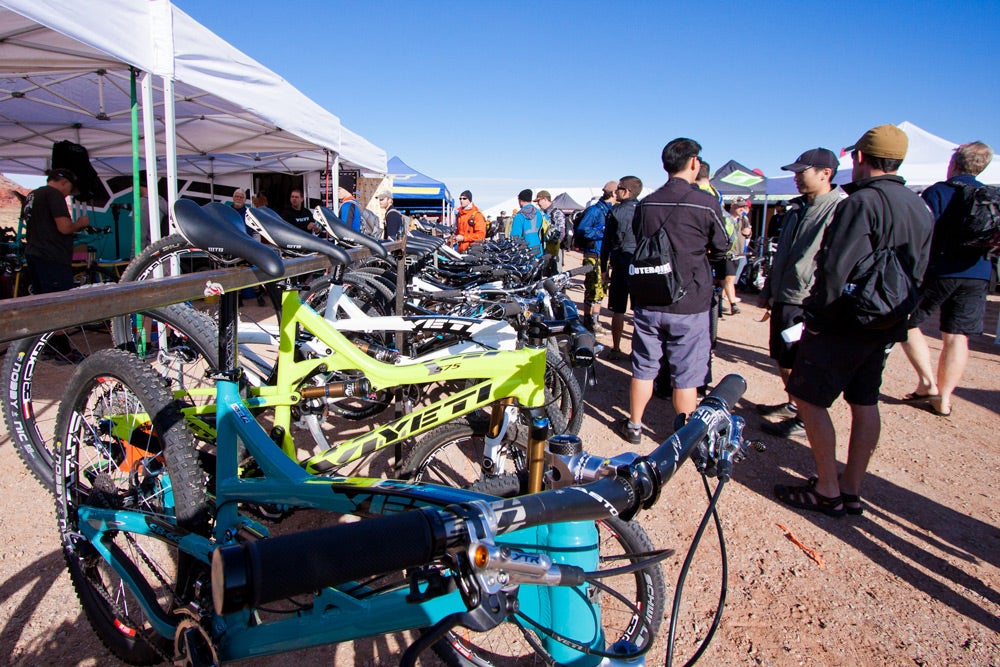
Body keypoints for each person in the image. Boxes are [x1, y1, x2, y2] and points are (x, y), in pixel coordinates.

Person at [775, 124, 933, 518]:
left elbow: (833, 269)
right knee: (865, 402)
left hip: (845, 322)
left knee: (809, 400)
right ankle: (852, 487)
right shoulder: (919, 205)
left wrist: (816, 319)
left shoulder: (860, 203)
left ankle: (827, 488)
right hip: (886, 322)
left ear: (860, 158)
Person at [615, 139, 729, 445]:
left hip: (650, 295)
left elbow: (640, 238)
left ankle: (635, 425)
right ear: (693, 162)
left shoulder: (647, 203)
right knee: (687, 374)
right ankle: (684, 436)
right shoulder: (705, 203)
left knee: (644, 367)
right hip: (689, 301)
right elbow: (722, 248)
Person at [756, 148, 847, 438]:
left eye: (801, 172)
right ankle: (795, 405)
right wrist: (770, 289)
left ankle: (805, 416)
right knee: (784, 356)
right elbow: (783, 253)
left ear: (825, 173)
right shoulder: (798, 209)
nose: (796, 178)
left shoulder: (840, 208)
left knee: (803, 360)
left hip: (807, 298)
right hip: (786, 295)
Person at [900, 141, 995, 417]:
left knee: (906, 322)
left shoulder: (939, 192)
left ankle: (927, 382)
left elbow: (920, 230)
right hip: (978, 272)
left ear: (953, 164)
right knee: (956, 336)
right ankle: (944, 397)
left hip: (940, 270)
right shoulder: (988, 195)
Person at [23, 168, 91, 295]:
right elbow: (64, 228)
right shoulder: (54, 194)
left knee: (41, 299)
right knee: (59, 300)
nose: (68, 194)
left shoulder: (31, 195)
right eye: (70, 189)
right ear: (64, 182)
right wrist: (80, 224)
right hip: (51, 256)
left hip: (34, 253)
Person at [601, 176, 642, 357]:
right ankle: (637, 351)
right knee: (639, 311)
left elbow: (606, 244)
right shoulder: (644, 210)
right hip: (640, 265)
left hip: (619, 264)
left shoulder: (615, 212)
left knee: (618, 309)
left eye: (618, 188)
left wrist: (604, 269)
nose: (615, 192)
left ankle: (616, 348)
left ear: (626, 191)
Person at [575, 181, 618, 334]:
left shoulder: (612, 210)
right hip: (593, 254)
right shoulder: (594, 210)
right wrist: (603, 234)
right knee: (592, 288)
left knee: (602, 289)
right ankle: (587, 321)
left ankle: (595, 320)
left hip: (605, 255)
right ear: (613, 193)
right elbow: (582, 230)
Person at [535, 190, 566, 272]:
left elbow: (561, 232)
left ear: (545, 199)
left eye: (538, 201)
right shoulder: (541, 213)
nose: (537, 203)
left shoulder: (556, 212)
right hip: (543, 249)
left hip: (553, 250)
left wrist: (553, 246)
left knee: (555, 276)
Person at [508, 189, 544, 257]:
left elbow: (515, 237)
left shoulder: (519, 216)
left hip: (525, 251)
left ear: (520, 200)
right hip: (538, 249)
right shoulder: (539, 213)